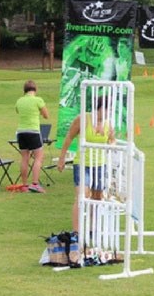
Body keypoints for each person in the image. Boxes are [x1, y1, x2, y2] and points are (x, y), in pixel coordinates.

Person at [58, 95, 115, 231]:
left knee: (96, 198)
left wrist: (112, 145)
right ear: (99, 109)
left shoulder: (108, 124)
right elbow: (69, 137)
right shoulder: (83, 119)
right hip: (83, 163)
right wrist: (62, 158)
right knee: (81, 197)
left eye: (110, 110)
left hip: (100, 164)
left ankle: (92, 229)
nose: (108, 113)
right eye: (106, 110)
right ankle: (76, 232)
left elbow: (112, 140)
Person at [15, 80, 50, 193]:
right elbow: (46, 115)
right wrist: (39, 112)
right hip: (33, 131)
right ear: (35, 90)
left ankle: (24, 185)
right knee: (38, 157)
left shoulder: (19, 101)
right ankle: (35, 184)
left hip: (21, 132)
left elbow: (18, 112)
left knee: (25, 158)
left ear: (24, 90)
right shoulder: (38, 100)